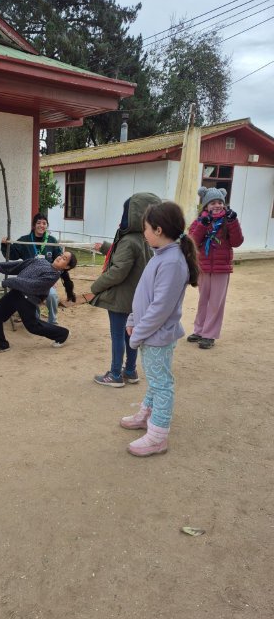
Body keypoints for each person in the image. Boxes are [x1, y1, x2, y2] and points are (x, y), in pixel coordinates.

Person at [120, 201, 199, 457]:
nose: (143, 233)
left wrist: (138, 333)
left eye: (145, 228)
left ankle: (158, 436)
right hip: (149, 333)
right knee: (155, 380)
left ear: (158, 229)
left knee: (161, 383)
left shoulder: (172, 262)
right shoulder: (162, 255)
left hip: (156, 336)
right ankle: (146, 415)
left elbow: (160, 308)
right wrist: (133, 319)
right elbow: (144, 295)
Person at [90, 192, 162, 387]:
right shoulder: (146, 239)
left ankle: (115, 374)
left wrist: (95, 287)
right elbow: (131, 259)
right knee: (131, 333)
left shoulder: (129, 240)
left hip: (121, 298)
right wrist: (106, 247)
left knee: (118, 336)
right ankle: (130, 370)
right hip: (137, 298)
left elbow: (118, 271)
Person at [187, 187, 244, 349]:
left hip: (222, 268)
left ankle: (209, 334)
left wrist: (233, 222)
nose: (217, 205)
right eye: (213, 203)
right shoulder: (200, 221)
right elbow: (192, 241)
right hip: (204, 267)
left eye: (220, 202)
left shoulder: (228, 221)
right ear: (206, 206)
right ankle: (199, 330)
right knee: (203, 300)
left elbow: (237, 242)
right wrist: (202, 225)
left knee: (215, 303)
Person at [0, 251, 77, 353]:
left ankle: (63, 334)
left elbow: (31, 285)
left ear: (67, 267)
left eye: (64, 259)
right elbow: (20, 265)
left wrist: (5, 283)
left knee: (33, 326)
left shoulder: (53, 275)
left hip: (27, 299)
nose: (60, 257)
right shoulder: (41, 261)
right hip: (16, 292)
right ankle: (0, 345)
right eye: (61, 255)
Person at [1, 213, 76, 324]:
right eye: (38, 223)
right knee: (30, 297)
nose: (41, 225)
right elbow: (12, 254)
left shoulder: (51, 241)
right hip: (29, 278)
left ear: (47, 225)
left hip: (47, 278)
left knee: (52, 295)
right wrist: (5, 245)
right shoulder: (25, 240)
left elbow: (61, 262)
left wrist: (54, 278)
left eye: (44, 223)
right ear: (34, 225)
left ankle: (53, 321)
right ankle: (35, 319)